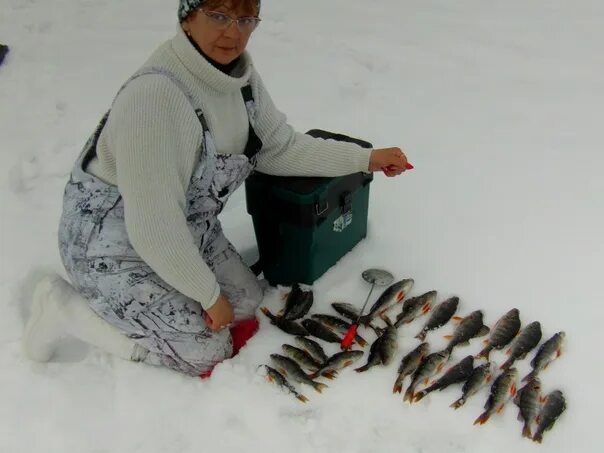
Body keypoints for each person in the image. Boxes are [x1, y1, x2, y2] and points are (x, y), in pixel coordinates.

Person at [22, 0, 410, 377]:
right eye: (219, 15)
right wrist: (207, 295)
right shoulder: (154, 100)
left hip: (187, 228)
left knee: (248, 304)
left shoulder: (240, 81)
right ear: (187, 18)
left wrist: (364, 159)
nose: (233, 32)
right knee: (205, 353)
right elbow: (153, 228)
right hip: (112, 244)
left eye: (246, 19)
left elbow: (280, 148)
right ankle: (64, 309)